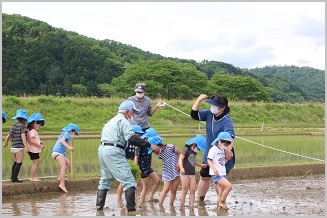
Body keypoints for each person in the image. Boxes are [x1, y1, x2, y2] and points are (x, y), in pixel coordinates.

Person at [96, 100, 159, 212]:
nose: (133, 115)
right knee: (129, 182)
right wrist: (150, 145)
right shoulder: (123, 121)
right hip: (114, 150)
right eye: (132, 112)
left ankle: (99, 209)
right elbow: (132, 138)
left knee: (105, 179)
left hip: (102, 150)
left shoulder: (111, 121)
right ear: (126, 111)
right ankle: (131, 212)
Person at [190, 94, 235, 203]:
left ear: (222, 108)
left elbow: (231, 136)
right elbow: (194, 115)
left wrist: (228, 150)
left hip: (221, 155)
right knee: (204, 176)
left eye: (215, 106)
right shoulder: (209, 114)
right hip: (210, 153)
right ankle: (200, 200)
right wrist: (198, 100)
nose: (212, 107)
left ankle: (220, 203)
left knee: (218, 181)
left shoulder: (226, 120)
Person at [178, 134, 207, 208]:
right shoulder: (186, 150)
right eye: (198, 148)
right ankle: (182, 207)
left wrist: (201, 165)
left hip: (192, 173)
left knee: (193, 190)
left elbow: (193, 161)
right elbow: (180, 159)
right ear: (194, 144)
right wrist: (181, 168)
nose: (198, 149)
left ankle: (191, 207)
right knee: (185, 190)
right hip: (185, 173)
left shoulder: (194, 152)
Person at [117, 124, 144, 201]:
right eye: (137, 134)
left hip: (132, 165)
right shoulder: (126, 141)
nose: (138, 136)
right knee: (123, 182)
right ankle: (119, 199)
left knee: (134, 182)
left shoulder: (133, 143)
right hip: (125, 164)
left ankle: (135, 198)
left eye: (139, 134)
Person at [207, 132, 234, 210]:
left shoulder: (222, 151)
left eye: (227, 144)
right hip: (217, 174)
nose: (225, 145)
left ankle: (219, 209)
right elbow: (208, 160)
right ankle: (222, 202)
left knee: (220, 192)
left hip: (222, 172)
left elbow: (222, 162)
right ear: (219, 141)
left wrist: (227, 159)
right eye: (223, 143)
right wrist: (214, 169)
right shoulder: (213, 149)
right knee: (229, 186)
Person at [134, 128, 161, 205]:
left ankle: (150, 196)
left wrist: (150, 164)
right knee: (145, 186)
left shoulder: (150, 144)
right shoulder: (141, 144)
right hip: (142, 168)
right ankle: (141, 204)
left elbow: (149, 155)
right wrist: (136, 167)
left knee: (158, 180)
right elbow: (136, 156)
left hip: (148, 167)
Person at [152, 136, 181, 205]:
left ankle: (171, 205)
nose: (153, 152)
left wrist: (179, 164)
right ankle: (160, 204)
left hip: (176, 170)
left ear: (157, 146)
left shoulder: (170, 147)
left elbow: (180, 153)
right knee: (166, 188)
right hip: (167, 171)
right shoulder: (159, 153)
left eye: (153, 150)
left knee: (174, 189)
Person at [51, 123, 80, 193]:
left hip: (60, 153)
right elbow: (62, 140)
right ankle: (61, 184)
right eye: (74, 133)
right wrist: (69, 147)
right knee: (63, 166)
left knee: (68, 163)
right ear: (72, 131)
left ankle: (60, 177)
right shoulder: (66, 133)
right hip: (58, 152)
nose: (74, 135)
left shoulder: (66, 133)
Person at [3, 109, 29, 183]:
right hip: (19, 147)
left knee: (16, 161)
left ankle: (12, 176)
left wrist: (5, 143)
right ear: (24, 119)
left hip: (13, 146)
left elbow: (8, 135)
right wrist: (26, 146)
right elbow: (23, 135)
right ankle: (15, 178)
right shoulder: (23, 126)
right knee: (19, 162)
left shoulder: (13, 126)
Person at [26, 113, 45, 182]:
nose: (39, 127)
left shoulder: (29, 130)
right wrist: (40, 145)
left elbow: (33, 140)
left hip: (32, 149)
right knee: (35, 163)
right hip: (33, 150)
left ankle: (33, 177)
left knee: (36, 163)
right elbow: (32, 140)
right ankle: (32, 177)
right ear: (35, 123)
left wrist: (39, 142)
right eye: (39, 125)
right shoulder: (33, 131)